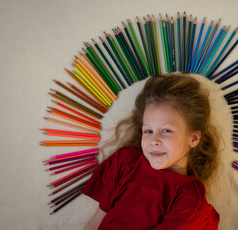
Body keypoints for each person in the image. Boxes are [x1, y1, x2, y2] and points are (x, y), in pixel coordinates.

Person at [83, 73, 222, 229]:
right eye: (148, 131)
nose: (154, 140)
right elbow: (95, 222)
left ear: (193, 139)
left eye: (166, 130)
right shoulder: (125, 161)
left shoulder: (190, 203)